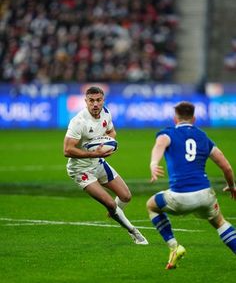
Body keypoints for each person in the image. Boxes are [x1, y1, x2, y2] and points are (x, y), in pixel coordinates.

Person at [146, 101, 236, 269]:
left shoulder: (168, 133)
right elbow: (226, 167)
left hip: (179, 197)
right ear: (194, 119)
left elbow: (160, 143)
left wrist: (153, 163)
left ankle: (174, 247)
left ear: (175, 118)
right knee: (220, 222)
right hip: (205, 195)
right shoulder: (203, 137)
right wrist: (232, 186)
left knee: (151, 205)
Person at [64, 86, 148, 245]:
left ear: (103, 100)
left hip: (99, 162)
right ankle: (134, 232)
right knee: (110, 202)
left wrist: (109, 145)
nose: (95, 104)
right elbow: (67, 150)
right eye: (91, 101)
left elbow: (112, 133)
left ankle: (115, 213)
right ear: (86, 101)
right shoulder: (78, 122)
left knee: (126, 196)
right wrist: (93, 153)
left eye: (98, 100)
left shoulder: (106, 113)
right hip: (81, 170)